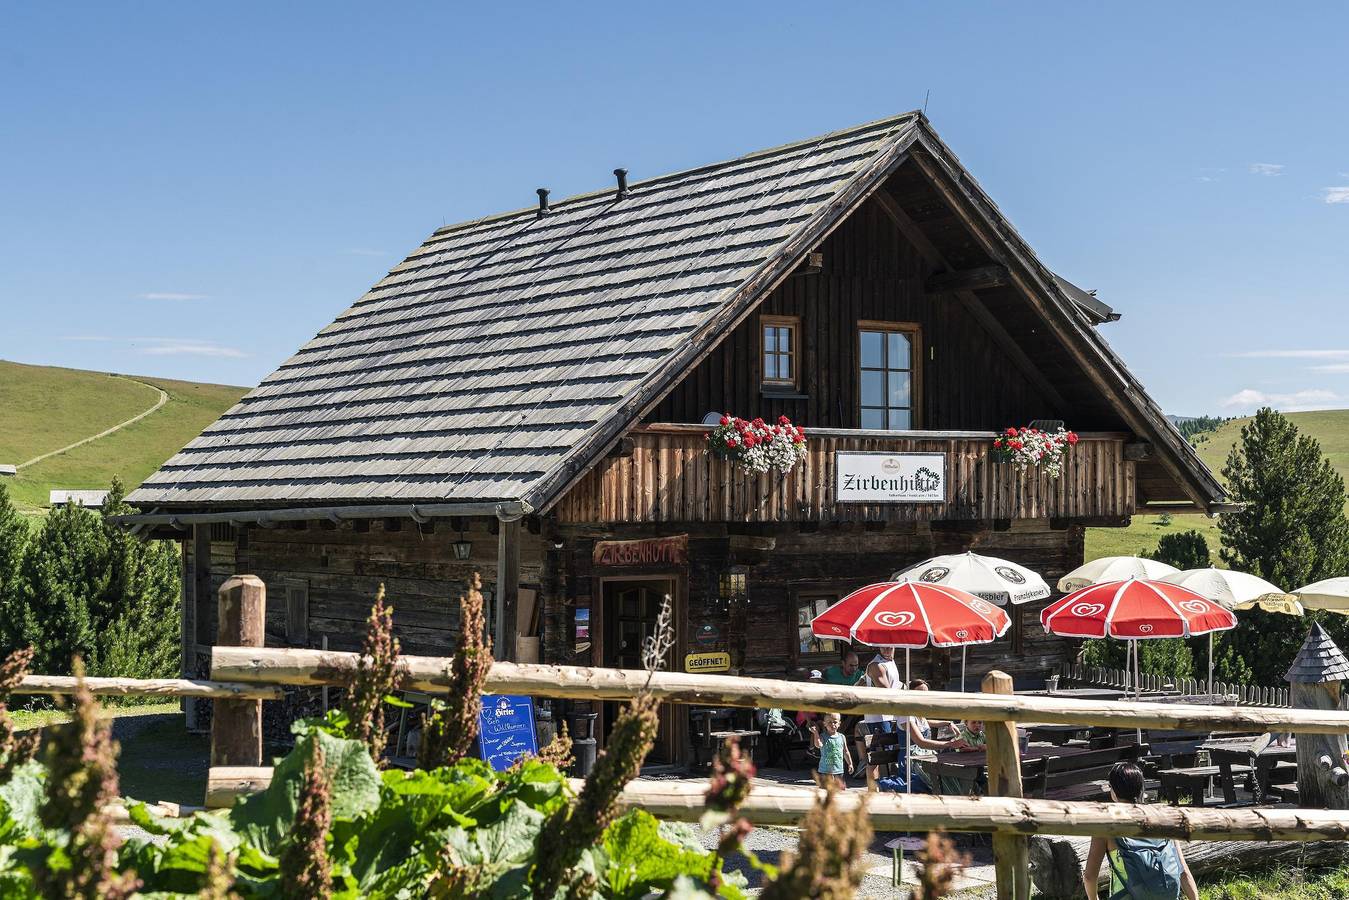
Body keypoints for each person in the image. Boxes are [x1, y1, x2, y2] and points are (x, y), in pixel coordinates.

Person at [1083, 762, 1198, 900]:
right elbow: (1183, 871)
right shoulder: (1164, 819)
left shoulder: (1107, 825)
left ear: (1113, 791)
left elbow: (1090, 877)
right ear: (1141, 789)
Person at [853, 646, 907, 785]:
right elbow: (886, 691)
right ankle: (872, 790)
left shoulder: (890, 661)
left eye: (890, 645)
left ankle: (887, 787)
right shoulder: (876, 665)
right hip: (878, 717)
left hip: (891, 715)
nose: (887, 649)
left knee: (887, 755)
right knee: (877, 757)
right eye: (884, 646)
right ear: (879, 646)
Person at [808, 712, 852, 789]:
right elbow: (818, 745)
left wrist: (850, 763)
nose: (833, 724)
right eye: (829, 722)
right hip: (825, 770)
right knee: (825, 790)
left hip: (839, 770)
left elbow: (845, 751)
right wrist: (816, 733)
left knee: (840, 789)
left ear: (839, 723)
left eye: (835, 722)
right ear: (824, 724)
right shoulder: (823, 736)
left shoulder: (842, 737)